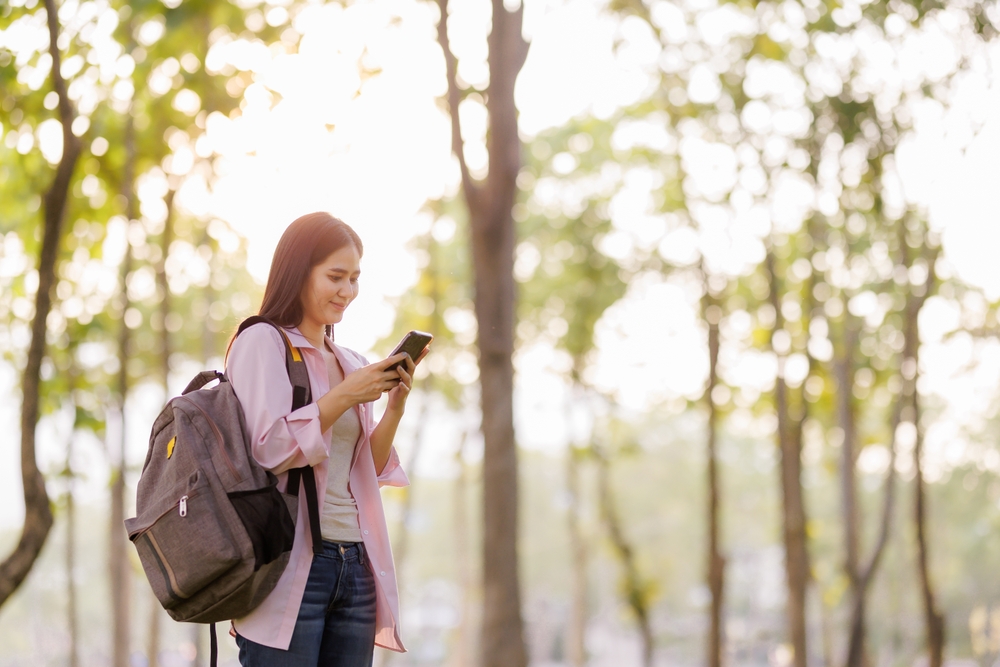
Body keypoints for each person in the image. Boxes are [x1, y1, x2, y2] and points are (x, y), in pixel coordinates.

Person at [225, 212, 423, 666]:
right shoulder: (263, 341)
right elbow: (271, 448)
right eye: (335, 276)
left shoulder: (352, 360)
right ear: (298, 271)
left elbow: (363, 472)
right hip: (291, 566)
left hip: (355, 566)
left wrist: (393, 408)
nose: (347, 291)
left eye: (354, 279)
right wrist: (342, 396)